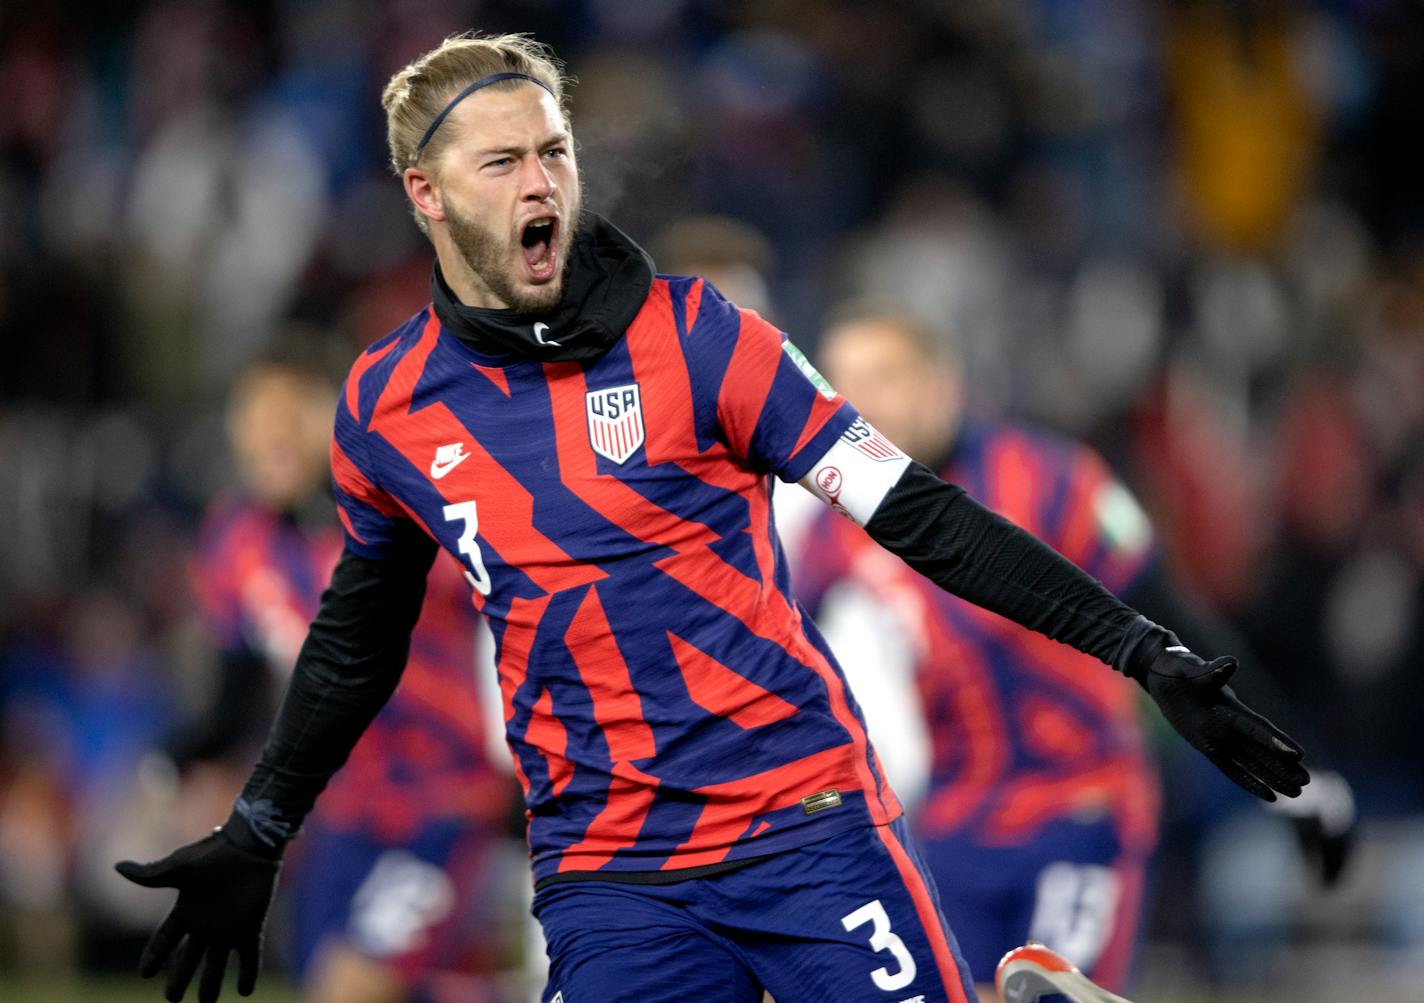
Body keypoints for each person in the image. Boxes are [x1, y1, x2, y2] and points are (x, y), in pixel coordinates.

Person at [115, 32, 1308, 1003]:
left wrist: (1138, 649)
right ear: (423, 194)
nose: (541, 185)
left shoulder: (703, 338)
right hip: (605, 867)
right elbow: (354, 636)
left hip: (802, 817)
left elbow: (923, 516)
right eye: (502, 165)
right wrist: (261, 825)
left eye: (554, 152)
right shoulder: (385, 404)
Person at [791, 308, 1355, 999]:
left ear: (942, 383)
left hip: (1079, 806)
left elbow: (1182, 628)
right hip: (955, 819)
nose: (861, 402)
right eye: (843, 382)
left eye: (883, 376)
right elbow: (776, 657)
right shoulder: (833, 525)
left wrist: (1304, 777)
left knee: (1054, 993)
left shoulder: (1051, 478)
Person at [179, 359, 514, 1003]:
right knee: (335, 988)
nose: (270, 435)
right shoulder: (234, 540)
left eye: (288, 416)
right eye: (254, 419)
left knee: (350, 988)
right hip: (344, 811)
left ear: (327, 420)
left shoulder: (406, 509)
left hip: (444, 801)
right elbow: (238, 684)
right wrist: (186, 758)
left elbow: (508, 615)